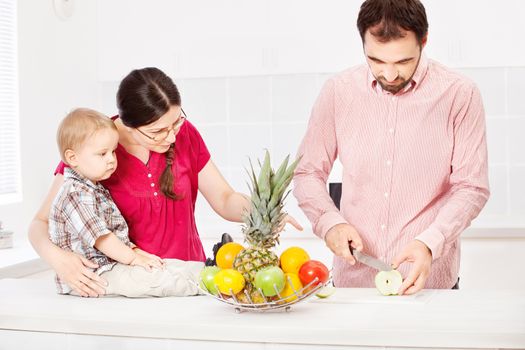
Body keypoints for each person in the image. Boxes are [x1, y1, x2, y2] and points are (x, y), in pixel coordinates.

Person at [29, 67, 302, 297]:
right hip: (132, 289)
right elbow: (41, 223)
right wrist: (58, 259)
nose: (171, 137)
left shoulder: (185, 135)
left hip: (190, 281)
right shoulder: (94, 151)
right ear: (126, 124)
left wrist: (262, 212)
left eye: (176, 122)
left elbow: (224, 199)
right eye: (157, 131)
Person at [293, 0, 489, 295]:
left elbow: (472, 187)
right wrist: (330, 223)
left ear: (424, 41)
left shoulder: (459, 94)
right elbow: (307, 173)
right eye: (377, 61)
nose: (389, 75)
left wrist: (430, 242)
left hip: (430, 285)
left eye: (403, 62)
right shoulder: (338, 92)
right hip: (353, 286)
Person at [49, 108, 203, 297]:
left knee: (165, 265)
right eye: (102, 154)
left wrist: (140, 254)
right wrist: (133, 259)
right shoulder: (73, 193)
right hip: (91, 276)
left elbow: (116, 235)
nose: (112, 160)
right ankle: (205, 285)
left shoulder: (96, 189)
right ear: (73, 158)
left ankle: (207, 275)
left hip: (111, 264)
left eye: (113, 152)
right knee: (150, 281)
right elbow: (102, 238)